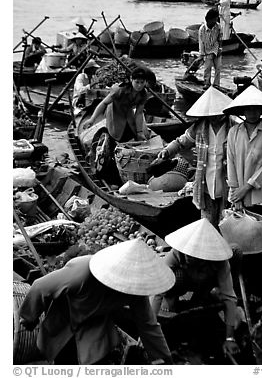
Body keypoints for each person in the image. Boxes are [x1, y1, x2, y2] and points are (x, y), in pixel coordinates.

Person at [19, 239, 175, 365]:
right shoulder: (83, 270)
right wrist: (29, 317)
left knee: (95, 360)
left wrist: (165, 360)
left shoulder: (135, 289)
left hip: (96, 324)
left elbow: (148, 325)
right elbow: (40, 287)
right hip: (67, 320)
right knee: (65, 358)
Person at [151, 218, 240, 358]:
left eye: (193, 255)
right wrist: (150, 329)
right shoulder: (176, 254)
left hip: (205, 279)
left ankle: (203, 297)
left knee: (237, 251)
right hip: (184, 279)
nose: (188, 256)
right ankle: (172, 299)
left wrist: (230, 338)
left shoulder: (219, 262)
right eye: (186, 253)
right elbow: (157, 291)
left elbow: (230, 297)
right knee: (176, 278)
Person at [223, 85, 262, 297]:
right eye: (248, 109)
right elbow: (230, 162)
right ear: (242, 111)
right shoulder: (234, 132)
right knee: (240, 245)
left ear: (261, 110)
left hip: (259, 196)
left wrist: (246, 187)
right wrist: (235, 191)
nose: (252, 113)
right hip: (239, 197)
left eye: (256, 109)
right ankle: (241, 288)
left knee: (261, 246)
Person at [157, 86, 234, 228]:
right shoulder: (200, 128)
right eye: (212, 114)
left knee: (226, 223)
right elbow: (181, 142)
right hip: (205, 182)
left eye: (218, 114)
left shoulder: (234, 128)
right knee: (206, 224)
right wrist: (167, 151)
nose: (215, 117)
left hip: (227, 183)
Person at [198, 8, 223, 88]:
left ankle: (216, 85)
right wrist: (201, 54)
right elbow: (201, 42)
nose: (215, 21)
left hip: (216, 48)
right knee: (207, 68)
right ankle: (207, 83)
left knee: (218, 67)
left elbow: (220, 38)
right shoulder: (202, 29)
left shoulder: (218, 26)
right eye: (214, 19)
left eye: (216, 19)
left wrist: (220, 49)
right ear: (209, 19)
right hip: (207, 50)